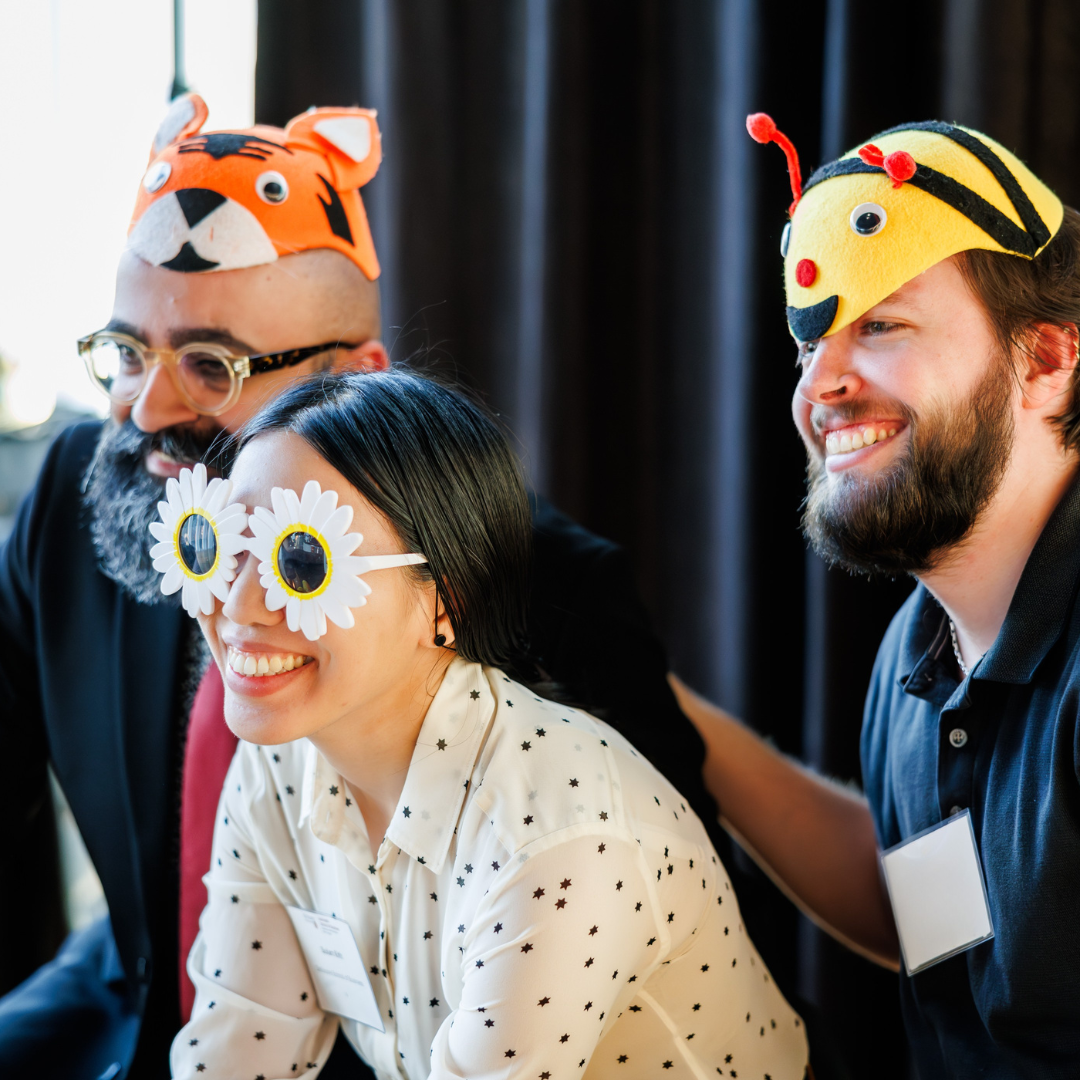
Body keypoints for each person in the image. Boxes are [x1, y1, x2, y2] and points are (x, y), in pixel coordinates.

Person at [0, 96, 717, 1079]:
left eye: (213, 366)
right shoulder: (81, 492)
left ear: (359, 382)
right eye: (127, 353)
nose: (148, 407)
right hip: (132, 999)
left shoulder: (548, 591)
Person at [156, 368, 809, 1079]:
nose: (239, 605)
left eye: (301, 561)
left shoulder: (556, 839)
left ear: (447, 603)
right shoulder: (277, 764)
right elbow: (237, 1052)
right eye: (220, 545)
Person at [672, 115, 1080, 1077]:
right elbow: (940, 920)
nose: (821, 386)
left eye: (882, 325)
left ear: (1050, 359)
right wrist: (658, 707)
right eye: (808, 344)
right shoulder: (920, 649)